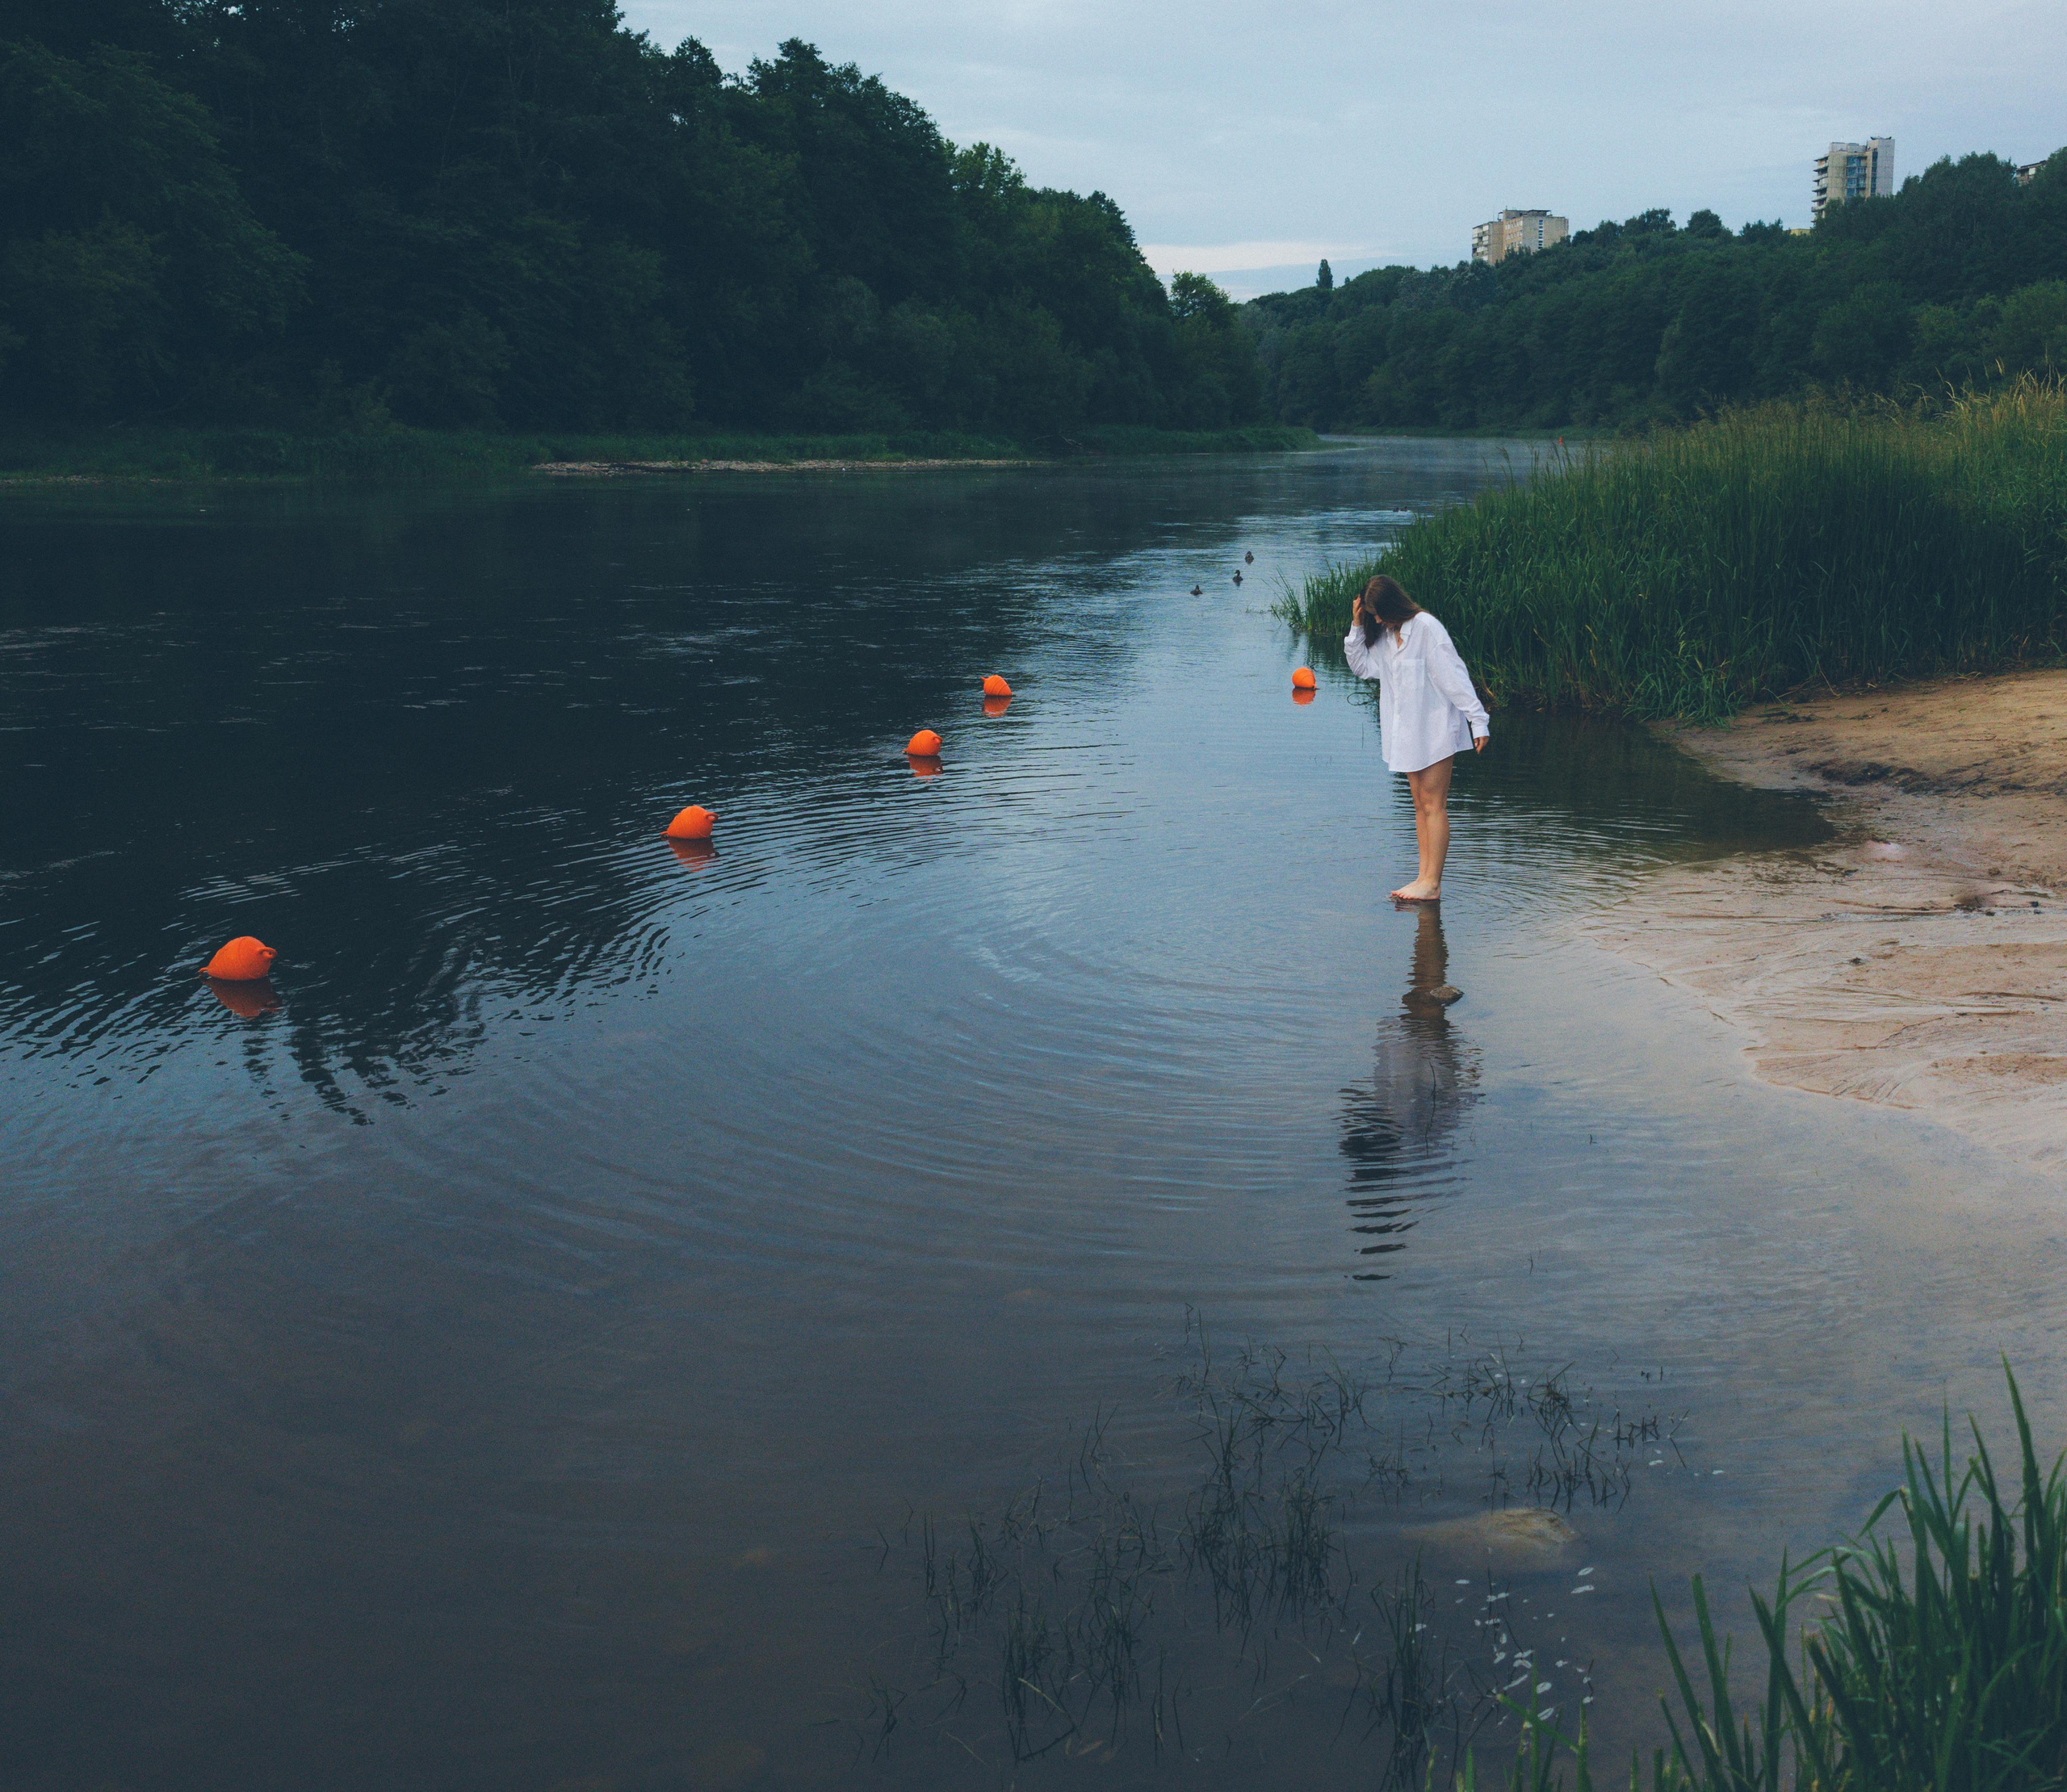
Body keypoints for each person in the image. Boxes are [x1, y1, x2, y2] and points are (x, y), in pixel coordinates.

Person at [1343, 573, 1489, 902]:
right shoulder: (1386, 636)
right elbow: (1362, 667)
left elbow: (1454, 677)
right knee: (1420, 805)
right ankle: (1423, 877)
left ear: (1393, 605)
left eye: (1378, 613)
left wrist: (1478, 720)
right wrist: (1357, 625)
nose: (1376, 620)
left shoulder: (1426, 628)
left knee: (1434, 805)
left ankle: (1432, 883)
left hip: (1435, 728)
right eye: (1371, 615)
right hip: (1407, 733)